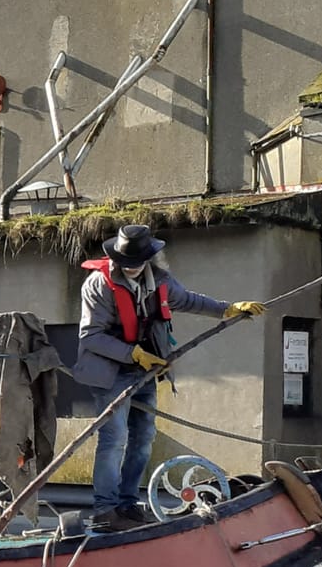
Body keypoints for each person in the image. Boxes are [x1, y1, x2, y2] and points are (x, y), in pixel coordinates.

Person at [73, 225, 263, 532]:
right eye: (127, 261)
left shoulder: (159, 280)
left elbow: (188, 300)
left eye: (138, 260)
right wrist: (133, 354)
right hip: (111, 373)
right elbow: (91, 336)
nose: (132, 266)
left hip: (147, 371)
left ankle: (127, 503)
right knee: (114, 440)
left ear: (149, 257)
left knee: (144, 438)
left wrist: (227, 309)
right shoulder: (99, 284)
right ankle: (105, 510)